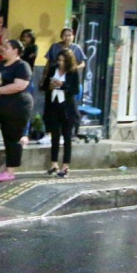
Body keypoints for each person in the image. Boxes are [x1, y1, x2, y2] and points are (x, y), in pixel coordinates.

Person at [0, 39, 34, 182]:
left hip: (17, 107)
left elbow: (19, 85)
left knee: (12, 138)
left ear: (15, 51)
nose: (3, 49)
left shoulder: (22, 66)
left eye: (6, 47)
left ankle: (10, 170)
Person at [41, 48, 81, 178]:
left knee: (67, 137)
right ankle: (53, 164)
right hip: (53, 106)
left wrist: (62, 85)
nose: (60, 63)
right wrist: (50, 86)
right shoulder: (53, 69)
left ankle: (65, 166)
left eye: (63, 61)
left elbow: (74, 90)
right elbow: (44, 84)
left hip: (67, 108)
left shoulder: (73, 72)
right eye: (59, 60)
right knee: (55, 136)